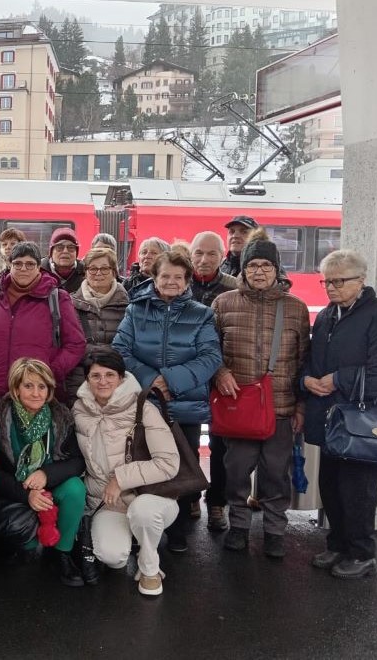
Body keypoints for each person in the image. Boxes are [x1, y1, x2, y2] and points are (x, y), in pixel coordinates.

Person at [302, 250, 377, 579]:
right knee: (330, 485)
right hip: (332, 421)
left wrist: (338, 379)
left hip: (365, 423)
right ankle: (338, 545)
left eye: (338, 281)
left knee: (358, 490)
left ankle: (362, 553)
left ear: (361, 281)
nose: (330, 288)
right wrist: (305, 379)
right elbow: (313, 358)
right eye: (326, 281)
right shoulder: (326, 316)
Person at [112, 250, 222, 553]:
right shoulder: (136, 310)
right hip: (145, 402)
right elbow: (120, 349)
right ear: (154, 278)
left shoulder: (201, 313)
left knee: (184, 465)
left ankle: (180, 530)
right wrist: (152, 381)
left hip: (184, 404)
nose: (171, 282)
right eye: (165, 276)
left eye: (178, 276)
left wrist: (172, 380)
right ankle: (142, 526)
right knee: (143, 461)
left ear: (187, 280)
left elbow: (211, 356)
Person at [211, 229, 310, 559]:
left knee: (275, 473)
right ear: (242, 268)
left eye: (266, 265)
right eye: (252, 264)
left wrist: (300, 406)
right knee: (236, 471)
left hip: (281, 406)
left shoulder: (295, 308)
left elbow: (303, 359)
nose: (258, 271)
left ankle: (274, 530)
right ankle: (238, 526)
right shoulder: (223, 303)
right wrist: (220, 372)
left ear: (277, 268)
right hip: (238, 405)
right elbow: (210, 350)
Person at [73, 351, 180, 597]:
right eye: (95, 375)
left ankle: (149, 568)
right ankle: (134, 539)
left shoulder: (143, 407)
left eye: (110, 375)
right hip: (107, 503)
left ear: (122, 378)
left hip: (151, 497)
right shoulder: (79, 410)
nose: (103, 381)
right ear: (87, 380)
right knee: (113, 557)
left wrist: (120, 478)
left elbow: (168, 462)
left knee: (142, 512)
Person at [0, 359, 87, 586]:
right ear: (16, 388)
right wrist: (27, 496)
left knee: (75, 489)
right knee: (24, 543)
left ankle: (62, 552)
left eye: (42, 387)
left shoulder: (61, 417)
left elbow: (77, 462)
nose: (36, 393)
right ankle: (17, 544)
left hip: (49, 484)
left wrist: (46, 474)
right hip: (14, 489)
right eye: (28, 386)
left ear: (50, 390)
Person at [0, 242, 86, 406]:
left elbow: (76, 344)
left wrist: (49, 373)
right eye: (17, 263)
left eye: (30, 264)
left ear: (39, 266)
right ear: (9, 265)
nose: (23, 268)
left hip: (36, 394)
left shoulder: (58, 298)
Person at [189, 231, 240, 531]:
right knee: (189, 439)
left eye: (211, 253)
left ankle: (217, 502)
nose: (204, 259)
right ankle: (191, 494)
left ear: (222, 256)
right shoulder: (182, 284)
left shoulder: (234, 288)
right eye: (199, 253)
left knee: (222, 444)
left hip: (223, 375)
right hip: (190, 376)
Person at [66, 247, 129, 401]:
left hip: (117, 384)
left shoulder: (128, 305)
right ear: (85, 272)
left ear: (114, 272)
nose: (98, 273)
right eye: (92, 269)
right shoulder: (68, 304)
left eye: (104, 268)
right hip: (79, 383)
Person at [40, 227, 86, 293]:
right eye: (59, 247)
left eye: (71, 248)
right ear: (51, 252)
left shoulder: (85, 272)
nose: (65, 251)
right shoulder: (38, 271)